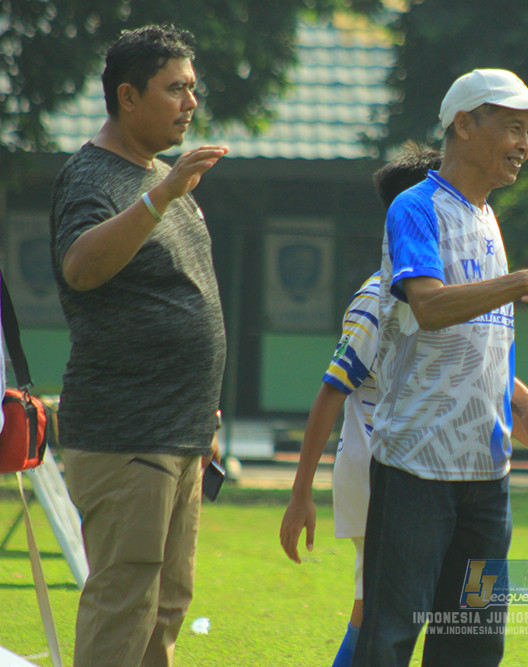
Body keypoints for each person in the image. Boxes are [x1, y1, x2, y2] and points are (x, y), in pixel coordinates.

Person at [278, 144, 528, 667]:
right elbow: (332, 389)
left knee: (460, 616)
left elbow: (479, 376)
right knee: (383, 616)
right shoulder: (380, 297)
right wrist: (301, 492)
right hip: (391, 469)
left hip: (461, 472)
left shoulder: (472, 266)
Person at [353, 68, 528, 666]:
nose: (525, 143)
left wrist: (525, 409)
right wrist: (522, 281)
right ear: (463, 125)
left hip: (488, 481)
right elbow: (432, 307)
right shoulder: (417, 209)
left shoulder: (489, 218)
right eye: (514, 126)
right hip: (415, 471)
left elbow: (480, 342)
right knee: (389, 636)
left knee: (475, 641)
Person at [48, 25, 227, 666]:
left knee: (165, 610)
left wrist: (204, 408)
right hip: (127, 434)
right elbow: (81, 267)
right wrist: (160, 196)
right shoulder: (94, 176)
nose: (190, 103)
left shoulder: (161, 180)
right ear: (128, 96)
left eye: (193, 90)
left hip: (177, 432)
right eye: (175, 89)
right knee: (125, 604)